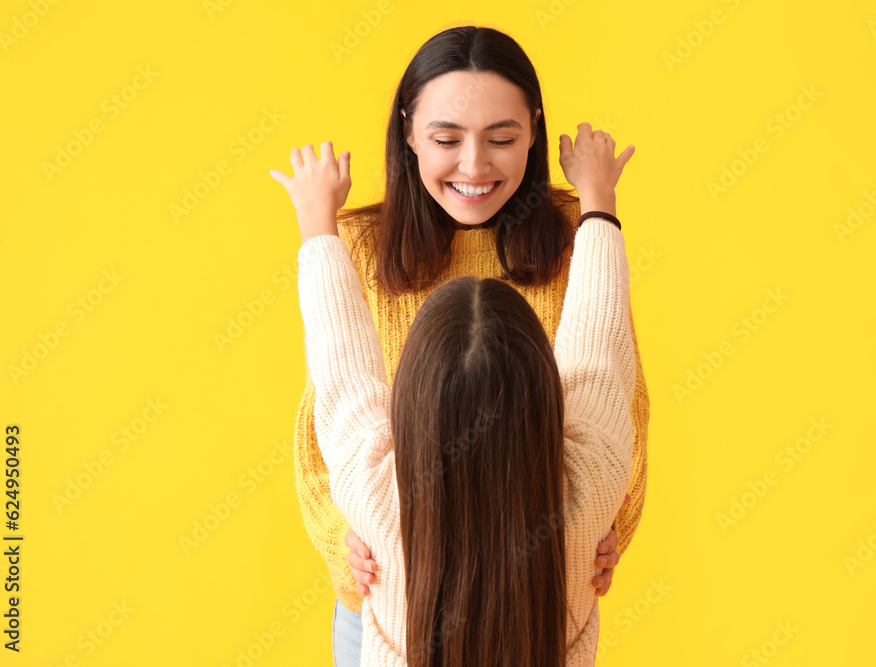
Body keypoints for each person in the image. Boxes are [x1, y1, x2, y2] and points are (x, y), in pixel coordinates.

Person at [270, 25, 650, 665]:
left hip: (530, 586)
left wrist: (611, 525)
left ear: (534, 130)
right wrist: (344, 538)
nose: (474, 166)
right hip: (385, 593)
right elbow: (318, 427)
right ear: (409, 133)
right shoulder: (363, 250)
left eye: (502, 139)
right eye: (447, 139)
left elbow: (625, 400)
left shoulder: (571, 251)